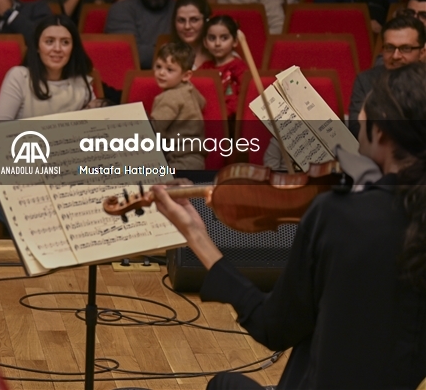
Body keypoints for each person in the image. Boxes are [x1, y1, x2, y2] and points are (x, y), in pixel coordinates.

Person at [152, 62, 426, 390]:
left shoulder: (338, 215)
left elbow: (272, 327)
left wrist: (196, 236)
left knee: (224, 384)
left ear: (380, 132)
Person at [0, 15, 97, 121]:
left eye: (65, 42)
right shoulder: (19, 77)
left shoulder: (82, 82)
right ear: (37, 47)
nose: (57, 49)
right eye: (49, 41)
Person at [348, 14, 426, 135]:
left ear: (422, 53)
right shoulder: (366, 80)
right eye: (389, 47)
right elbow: (356, 127)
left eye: (405, 48)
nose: (395, 56)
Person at [105, 0, 176, 69]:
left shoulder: (183, 10)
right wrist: (180, 52)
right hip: (134, 81)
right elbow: (132, 56)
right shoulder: (120, 10)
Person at [149, 41, 206, 170]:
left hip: (178, 161)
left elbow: (154, 129)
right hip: (196, 160)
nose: (161, 73)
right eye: (158, 66)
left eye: (169, 69)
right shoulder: (189, 88)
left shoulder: (169, 97)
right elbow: (202, 102)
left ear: (186, 75)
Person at [197, 15, 246, 119]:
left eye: (224, 38)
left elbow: (244, 101)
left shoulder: (240, 68)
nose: (217, 43)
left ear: (235, 41)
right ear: (205, 42)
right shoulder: (205, 68)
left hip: (230, 122)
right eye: (212, 38)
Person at [170, 0, 213, 70]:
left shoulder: (223, 53)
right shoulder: (165, 56)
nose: (187, 26)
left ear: (206, 21)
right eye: (181, 20)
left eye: (194, 20)